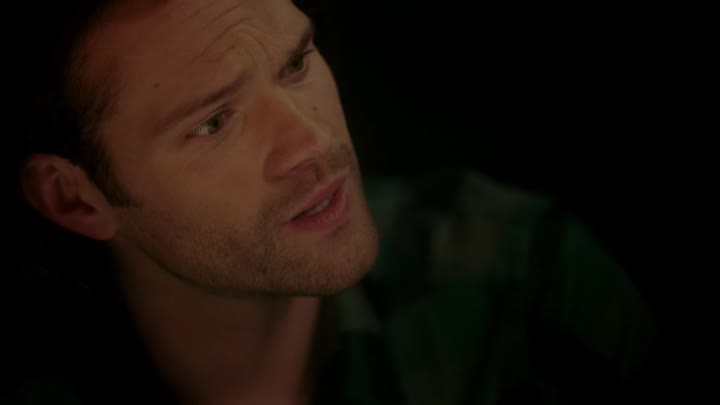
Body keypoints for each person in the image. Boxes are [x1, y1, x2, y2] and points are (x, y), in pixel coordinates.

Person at [2, 0, 655, 404]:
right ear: (74, 199)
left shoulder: (521, 280)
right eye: (214, 123)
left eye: (295, 64)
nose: (312, 142)